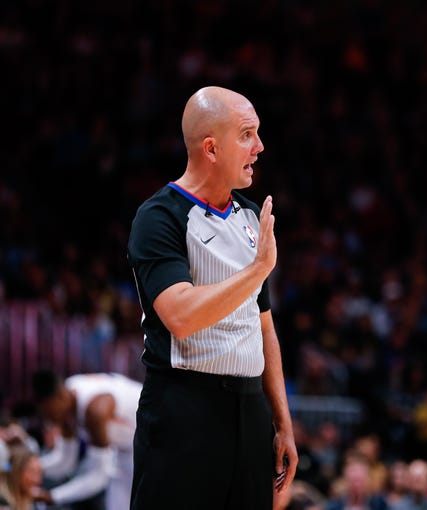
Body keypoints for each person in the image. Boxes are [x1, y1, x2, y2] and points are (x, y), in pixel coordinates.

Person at [127, 85, 298, 509]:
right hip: (184, 409)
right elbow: (180, 314)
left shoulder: (248, 216)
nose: (259, 146)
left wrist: (282, 420)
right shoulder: (159, 217)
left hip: (250, 410)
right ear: (211, 148)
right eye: (246, 135)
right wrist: (257, 269)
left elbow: (263, 325)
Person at [30, 369, 141, 510]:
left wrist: (54, 496)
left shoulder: (95, 411)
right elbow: (66, 460)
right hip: (127, 449)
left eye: (49, 413)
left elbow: (99, 476)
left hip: (156, 445)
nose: (49, 420)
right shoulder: (68, 395)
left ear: (59, 398)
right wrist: (31, 466)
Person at [0, 441, 43, 510]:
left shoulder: (31, 502)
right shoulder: (3, 504)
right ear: (15, 472)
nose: (37, 480)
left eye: (40, 473)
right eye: (32, 472)